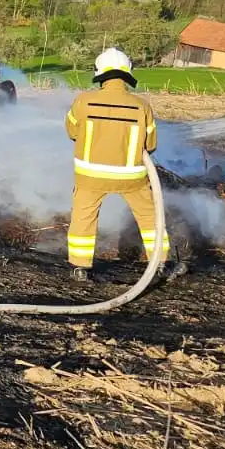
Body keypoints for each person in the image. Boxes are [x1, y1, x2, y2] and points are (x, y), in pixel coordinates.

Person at [63, 48, 183, 281]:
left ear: (100, 75)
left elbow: (71, 131)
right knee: (150, 218)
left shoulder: (83, 101)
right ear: (127, 74)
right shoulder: (141, 106)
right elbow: (151, 144)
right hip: (133, 178)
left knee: (83, 219)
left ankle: (80, 268)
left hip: (90, 176)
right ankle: (161, 264)